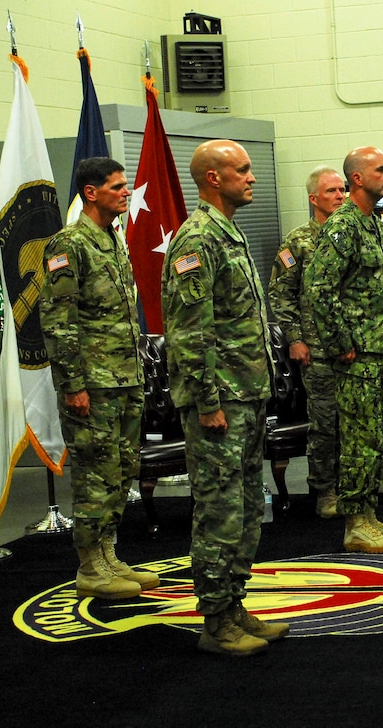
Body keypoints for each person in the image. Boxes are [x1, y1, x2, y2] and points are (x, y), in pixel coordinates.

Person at [161, 139, 289, 656]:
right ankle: (215, 620)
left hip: (247, 395)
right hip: (220, 402)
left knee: (244, 507)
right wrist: (208, 400)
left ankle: (235, 604)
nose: (251, 177)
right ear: (213, 178)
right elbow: (191, 331)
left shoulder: (230, 233)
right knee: (219, 510)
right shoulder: (197, 240)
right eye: (242, 170)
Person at [39, 157, 157, 600]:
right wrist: (73, 385)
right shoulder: (69, 244)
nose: (126, 193)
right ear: (91, 192)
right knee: (95, 474)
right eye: (117, 186)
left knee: (121, 471)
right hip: (93, 384)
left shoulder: (112, 239)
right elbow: (58, 321)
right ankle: (90, 565)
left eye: (126, 186)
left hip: (124, 378)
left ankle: (108, 554)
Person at [303, 146, 383, 554]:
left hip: (380, 351)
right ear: (358, 179)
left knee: (381, 436)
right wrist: (339, 343)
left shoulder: (370, 224)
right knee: (360, 440)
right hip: (357, 356)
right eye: (380, 170)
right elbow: (318, 288)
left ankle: (367, 514)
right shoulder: (343, 226)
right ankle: (354, 523)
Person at [268, 165, 347, 519]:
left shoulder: (351, 234)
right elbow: (280, 294)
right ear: (314, 198)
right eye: (331, 191)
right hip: (317, 350)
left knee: (354, 421)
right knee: (325, 423)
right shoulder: (298, 242)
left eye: (342, 189)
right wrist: (295, 340)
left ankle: (353, 487)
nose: (340, 196)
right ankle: (325, 490)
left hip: (352, 346)